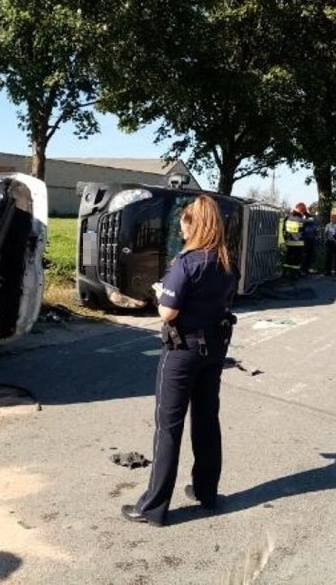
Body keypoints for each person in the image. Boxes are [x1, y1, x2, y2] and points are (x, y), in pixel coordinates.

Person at [122, 195, 238, 527]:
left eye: (183, 225)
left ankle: (153, 508)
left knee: (168, 428)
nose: (181, 231)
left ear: (193, 223)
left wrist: (161, 294)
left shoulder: (186, 262)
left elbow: (169, 311)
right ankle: (206, 491)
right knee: (206, 421)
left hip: (182, 351)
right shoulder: (226, 261)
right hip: (214, 348)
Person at [282, 203, 307, 279]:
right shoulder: (301, 220)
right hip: (298, 243)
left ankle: (285, 273)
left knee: (288, 258)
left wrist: (286, 239)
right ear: (301, 211)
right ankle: (294, 275)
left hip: (289, 242)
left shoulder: (287, 218)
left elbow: (283, 230)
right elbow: (303, 231)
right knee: (297, 260)